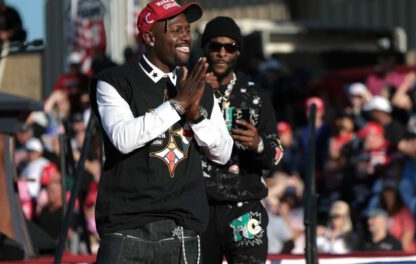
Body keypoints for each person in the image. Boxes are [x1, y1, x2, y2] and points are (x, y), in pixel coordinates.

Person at [88, 1, 233, 263]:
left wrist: (195, 115)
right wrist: (178, 105)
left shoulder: (200, 89)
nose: (186, 36)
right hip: (127, 230)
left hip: (182, 231)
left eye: (187, 30)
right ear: (149, 37)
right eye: (176, 30)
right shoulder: (114, 81)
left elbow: (223, 153)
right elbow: (123, 138)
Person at [199, 16, 283, 264]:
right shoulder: (185, 89)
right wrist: (198, 95)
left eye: (230, 47)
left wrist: (258, 143)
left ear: (239, 52)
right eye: (215, 46)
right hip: (199, 208)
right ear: (204, 49)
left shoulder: (255, 95)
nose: (222, 54)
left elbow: (276, 153)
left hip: (244, 206)